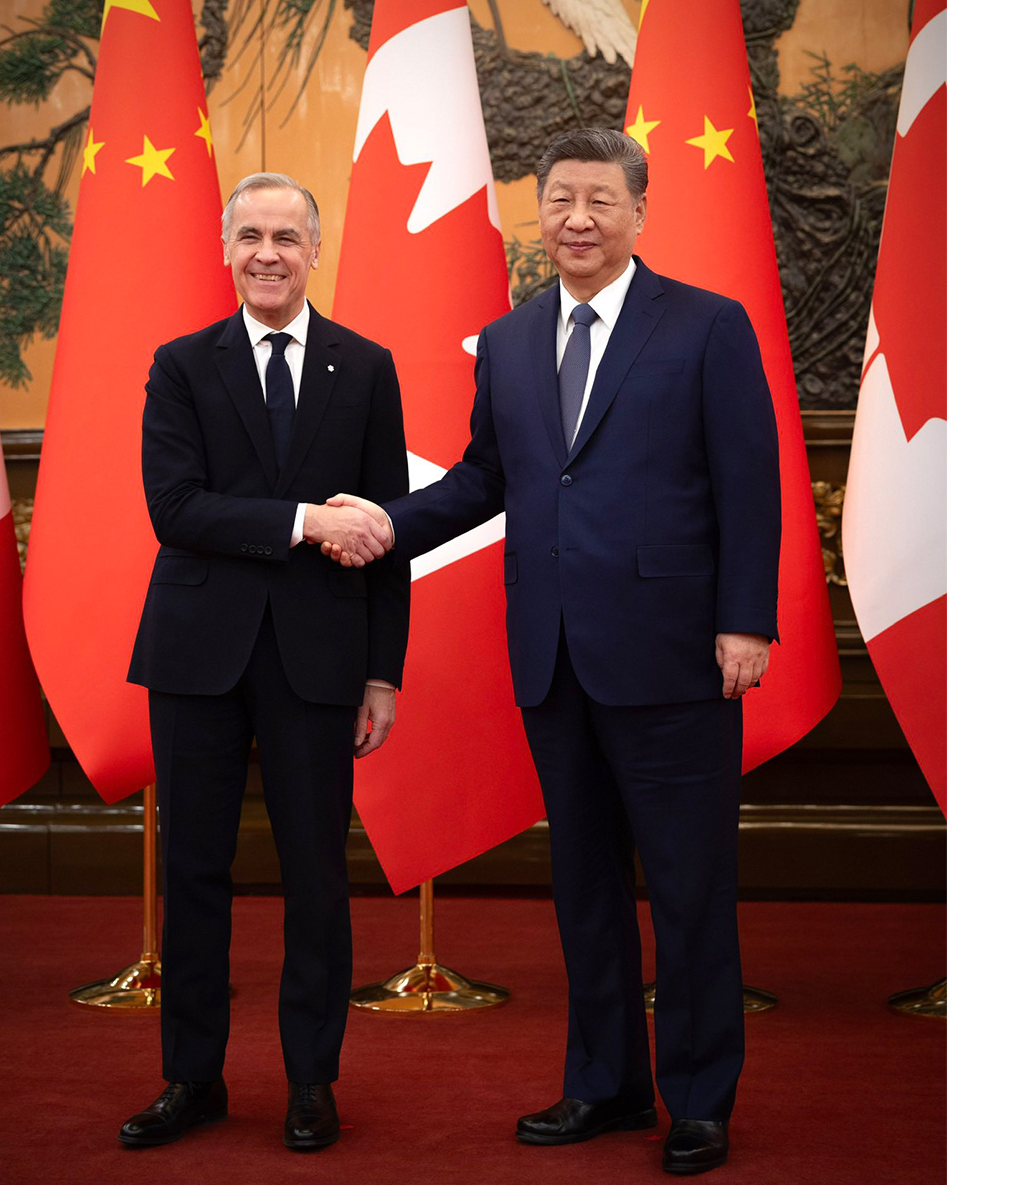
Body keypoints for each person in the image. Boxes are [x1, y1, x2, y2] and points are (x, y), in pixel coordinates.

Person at [324, 129, 779, 1176]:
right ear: (540, 212)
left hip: (677, 655)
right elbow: (487, 478)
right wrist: (387, 521)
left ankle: (699, 1099)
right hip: (554, 656)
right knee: (583, 886)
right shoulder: (513, 338)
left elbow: (748, 482)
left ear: (638, 213)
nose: (578, 218)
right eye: (560, 199)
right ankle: (606, 1084)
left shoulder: (706, 326)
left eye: (600, 201)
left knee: (689, 886)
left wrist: (744, 620)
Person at [119, 172, 409, 1152]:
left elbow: (382, 533)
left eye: (287, 235)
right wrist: (300, 523)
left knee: (316, 879)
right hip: (197, 658)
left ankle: (310, 1083)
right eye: (250, 235)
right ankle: (192, 1078)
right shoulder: (180, 365)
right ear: (225, 246)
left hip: (322, 662)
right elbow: (177, 509)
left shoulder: (365, 368)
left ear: (315, 250)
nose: (268, 253)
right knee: (195, 873)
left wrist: (383, 672)